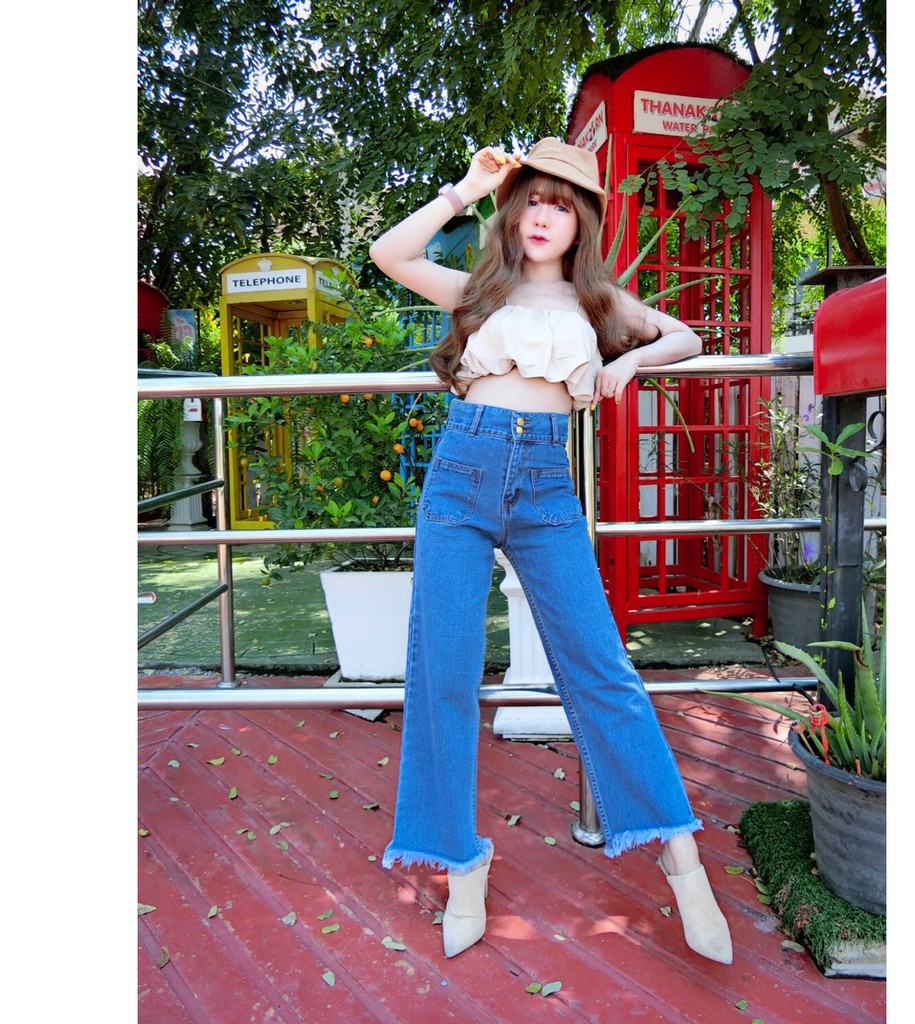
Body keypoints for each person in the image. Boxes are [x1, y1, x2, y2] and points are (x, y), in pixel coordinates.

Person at [368, 138, 733, 965]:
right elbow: (389, 253)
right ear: (513, 210)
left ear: (583, 224)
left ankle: (681, 859)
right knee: (444, 670)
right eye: (532, 199)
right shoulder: (480, 289)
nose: (542, 216)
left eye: (561, 205)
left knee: (601, 668)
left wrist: (634, 362)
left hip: (544, 486)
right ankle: (461, 862)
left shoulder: (596, 301)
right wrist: (465, 188)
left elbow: (683, 335)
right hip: (460, 476)